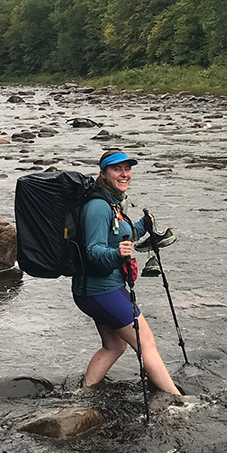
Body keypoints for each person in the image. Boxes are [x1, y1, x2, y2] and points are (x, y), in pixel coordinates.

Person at [72, 149, 181, 395]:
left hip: (98, 289)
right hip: (101, 290)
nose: (124, 174)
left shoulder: (113, 202)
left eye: (127, 169)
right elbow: (94, 249)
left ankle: (83, 393)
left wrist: (143, 226)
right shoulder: (98, 207)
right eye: (117, 169)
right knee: (146, 342)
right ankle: (177, 400)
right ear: (104, 173)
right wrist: (116, 254)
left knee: (114, 345)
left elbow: (120, 236)